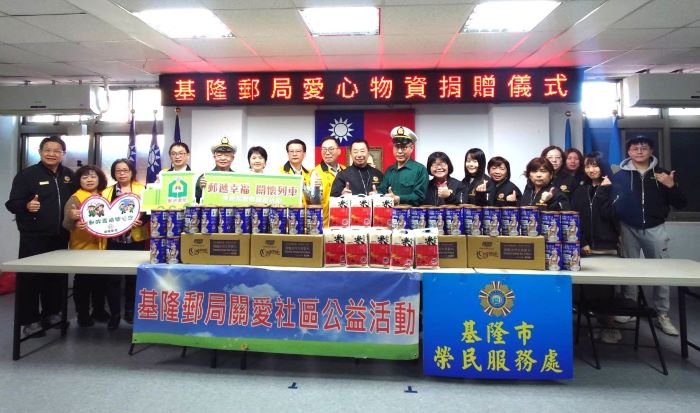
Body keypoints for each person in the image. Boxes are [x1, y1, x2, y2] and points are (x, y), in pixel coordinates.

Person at [612, 136, 687, 336]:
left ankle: (662, 314)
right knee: (629, 269)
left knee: (661, 270)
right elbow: (612, 203)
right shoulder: (619, 176)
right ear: (628, 152)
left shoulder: (662, 174)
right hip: (627, 227)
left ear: (651, 151)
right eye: (635, 148)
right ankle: (630, 308)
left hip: (655, 228)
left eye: (643, 148)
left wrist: (671, 186)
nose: (639, 151)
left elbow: (681, 203)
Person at [5, 136, 77, 338]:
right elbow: (12, 203)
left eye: (57, 150)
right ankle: (29, 321)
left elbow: (78, 200)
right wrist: (27, 206)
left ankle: (52, 314)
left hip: (60, 236)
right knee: (30, 278)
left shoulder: (69, 175)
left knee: (56, 277)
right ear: (40, 152)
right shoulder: (27, 175)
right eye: (47, 150)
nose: (52, 154)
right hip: (33, 236)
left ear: (63, 154)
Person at [571, 152, 621, 343]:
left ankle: (610, 326)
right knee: (590, 290)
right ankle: (596, 325)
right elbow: (574, 218)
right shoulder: (580, 191)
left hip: (607, 245)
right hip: (586, 247)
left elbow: (611, 215)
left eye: (595, 166)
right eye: (587, 166)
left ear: (603, 167)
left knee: (606, 290)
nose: (591, 170)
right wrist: (582, 241)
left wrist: (603, 192)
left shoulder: (613, 189)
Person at [103, 159, 148, 330]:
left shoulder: (142, 189)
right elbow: (102, 214)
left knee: (133, 278)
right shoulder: (107, 191)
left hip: (135, 240)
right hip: (114, 241)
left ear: (131, 172)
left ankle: (130, 310)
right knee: (112, 279)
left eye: (125, 170)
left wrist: (142, 221)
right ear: (114, 173)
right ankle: (114, 314)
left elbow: (149, 211)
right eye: (118, 170)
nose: (122, 173)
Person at [62, 165, 108, 327]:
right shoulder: (75, 198)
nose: (89, 180)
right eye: (85, 177)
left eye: (93, 176)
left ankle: (99, 310)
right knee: (84, 282)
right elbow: (66, 225)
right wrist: (72, 219)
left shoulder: (104, 196)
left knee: (100, 281)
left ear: (99, 179)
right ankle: (82, 314)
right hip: (83, 247)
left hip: (102, 247)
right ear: (79, 180)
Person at [376, 126, 429, 206]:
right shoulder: (390, 170)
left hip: (411, 212)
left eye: (404, 147)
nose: (399, 151)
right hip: (389, 212)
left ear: (412, 148)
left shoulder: (420, 170)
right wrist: (376, 193)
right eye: (397, 147)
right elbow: (382, 189)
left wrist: (399, 198)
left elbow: (420, 196)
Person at [309, 137, 346, 226]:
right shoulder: (316, 172)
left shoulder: (345, 170)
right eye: (324, 149)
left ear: (339, 151)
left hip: (344, 220)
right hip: (324, 223)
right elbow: (314, 201)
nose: (327, 152)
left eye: (331, 149)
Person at [196, 137, 236, 203]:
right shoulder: (204, 177)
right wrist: (201, 189)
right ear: (214, 157)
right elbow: (195, 201)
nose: (223, 158)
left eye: (226, 155)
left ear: (232, 158)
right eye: (219, 155)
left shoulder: (237, 178)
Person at [279, 139, 312, 205]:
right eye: (291, 151)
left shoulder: (310, 173)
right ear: (288, 154)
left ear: (304, 154)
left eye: (298, 151)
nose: (294, 154)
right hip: (286, 210)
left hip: (306, 210)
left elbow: (313, 198)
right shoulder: (279, 172)